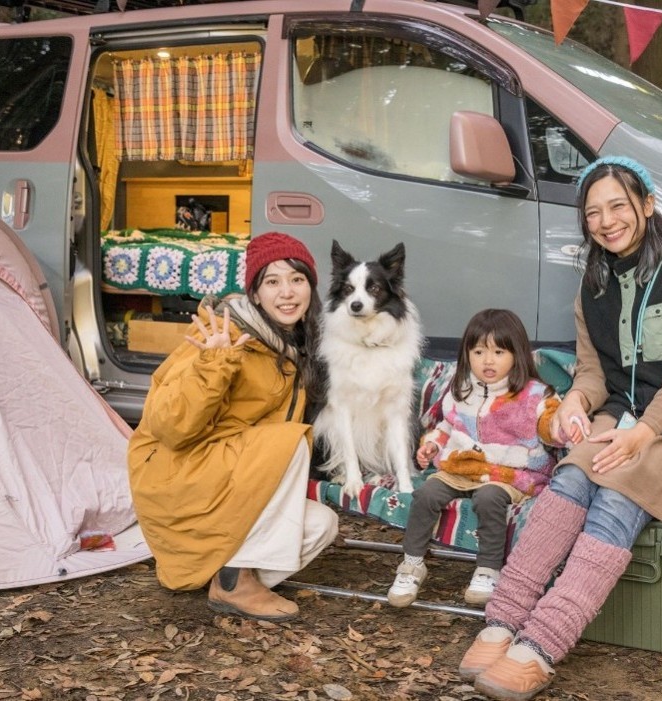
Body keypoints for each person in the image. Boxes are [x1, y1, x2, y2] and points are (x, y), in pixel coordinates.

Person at [459, 156, 662, 700]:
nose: (606, 220)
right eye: (592, 212)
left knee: (617, 489)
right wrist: (574, 403)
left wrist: (642, 435)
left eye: (618, 205)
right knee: (571, 476)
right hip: (627, 418)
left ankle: (540, 646)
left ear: (647, 204)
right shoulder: (593, 284)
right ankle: (501, 622)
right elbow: (594, 373)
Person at [127, 232, 339, 622]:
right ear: (255, 294)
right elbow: (171, 427)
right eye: (272, 282)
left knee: (323, 525)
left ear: (311, 285)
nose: (287, 292)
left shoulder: (297, 343)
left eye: (297, 279)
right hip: (179, 475)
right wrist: (214, 365)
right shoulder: (219, 336)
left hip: (231, 478)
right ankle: (236, 581)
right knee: (289, 443)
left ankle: (224, 574)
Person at [387, 308, 561, 609]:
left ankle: (487, 569)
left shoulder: (534, 394)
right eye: (478, 352)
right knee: (427, 492)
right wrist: (431, 444)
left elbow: (550, 428)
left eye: (498, 352)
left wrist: (558, 423)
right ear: (467, 354)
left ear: (516, 354)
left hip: (509, 473)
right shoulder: (462, 388)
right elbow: (447, 425)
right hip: (462, 467)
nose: (488, 360)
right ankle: (412, 563)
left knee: (488, 498)